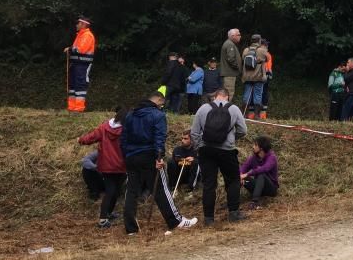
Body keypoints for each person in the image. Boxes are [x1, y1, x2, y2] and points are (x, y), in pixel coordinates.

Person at [120, 92, 197, 234]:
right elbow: (159, 138)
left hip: (131, 156)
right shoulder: (158, 115)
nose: (162, 107)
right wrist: (159, 157)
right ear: (159, 101)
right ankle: (176, 221)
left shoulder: (130, 115)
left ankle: (131, 228)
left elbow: (123, 138)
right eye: (162, 104)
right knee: (161, 188)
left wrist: (126, 156)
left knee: (131, 191)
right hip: (149, 156)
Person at [191, 87, 248, 226]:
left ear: (215, 96)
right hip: (227, 151)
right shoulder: (234, 109)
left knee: (209, 184)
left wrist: (200, 146)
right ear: (227, 97)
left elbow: (194, 132)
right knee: (233, 180)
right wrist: (231, 140)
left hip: (206, 150)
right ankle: (233, 213)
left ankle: (209, 218)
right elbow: (243, 130)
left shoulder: (203, 108)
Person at [79, 107, 128, 228]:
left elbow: (91, 137)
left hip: (106, 166)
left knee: (112, 191)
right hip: (121, 165)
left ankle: (107, 214)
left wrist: (80, 140)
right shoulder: (127, 130)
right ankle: (103, 219)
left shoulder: (104, 127)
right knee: (114, 191)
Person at [64, 15, 96, 112]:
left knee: (80, 85)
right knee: (72, 85)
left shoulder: (87, 35)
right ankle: (72, 107)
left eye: (78, 23)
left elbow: (80, 50)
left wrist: (69, 49)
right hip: (75, 64)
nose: (76, 25)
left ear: (83, 24)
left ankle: (79, 108)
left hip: (83, 65)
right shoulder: (80, 35)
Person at [240, 136, 279, 209]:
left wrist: (248, 174)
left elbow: (265, 169)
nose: (253, 147)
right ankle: (233, 201)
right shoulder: (253, 158)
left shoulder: (272, 157)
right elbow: (243, 168)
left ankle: (255, 202)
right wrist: (240, 175)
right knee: (242, 179)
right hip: (258, 187)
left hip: (271, 189)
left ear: (261, 148)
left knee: (261, 175)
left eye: (255, 145)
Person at [241, 34, 269, 119]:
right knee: (258, 95)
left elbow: (243, 59)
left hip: (247, 77)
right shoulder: (262, 50)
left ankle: (245, 114)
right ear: (259, 40)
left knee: (246, 95)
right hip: (258, 76)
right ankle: (257, 116)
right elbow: (267, 58)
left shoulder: (246, 50)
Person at [220, 28, 242, 100]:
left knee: (226, 94)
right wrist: (237, 67)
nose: (240, 36)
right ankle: (225, 110)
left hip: (228, 74)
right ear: (233, 36)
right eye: (238, 35)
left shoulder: (229, 43)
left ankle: (224, 110)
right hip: (229, 74)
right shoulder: (230, 44)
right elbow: (231, 59)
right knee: (229, 94)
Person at [260, 40, 272, 119]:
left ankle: (263, 115)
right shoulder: (262, 53)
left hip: (267, 76)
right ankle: (256, 114)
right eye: (265, 45)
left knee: (264, 94)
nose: (267, 46)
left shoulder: (268, 54)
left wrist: (270, 73)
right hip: (260, 76)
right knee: (260, 94)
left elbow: (269, 66)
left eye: (267, 45)